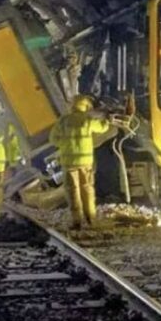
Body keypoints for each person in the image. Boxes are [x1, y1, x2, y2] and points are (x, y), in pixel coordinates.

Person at [49, 95, 111, 229]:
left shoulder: (63, 121)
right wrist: (106, 119)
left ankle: (77, 221)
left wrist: (65, 144)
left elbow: (53, 139)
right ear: (85, 106)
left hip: (69, 162)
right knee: (87, 189)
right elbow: (102, 128)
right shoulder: (87, 120)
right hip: (85, 162)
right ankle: (90, 219)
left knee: (73, 192)